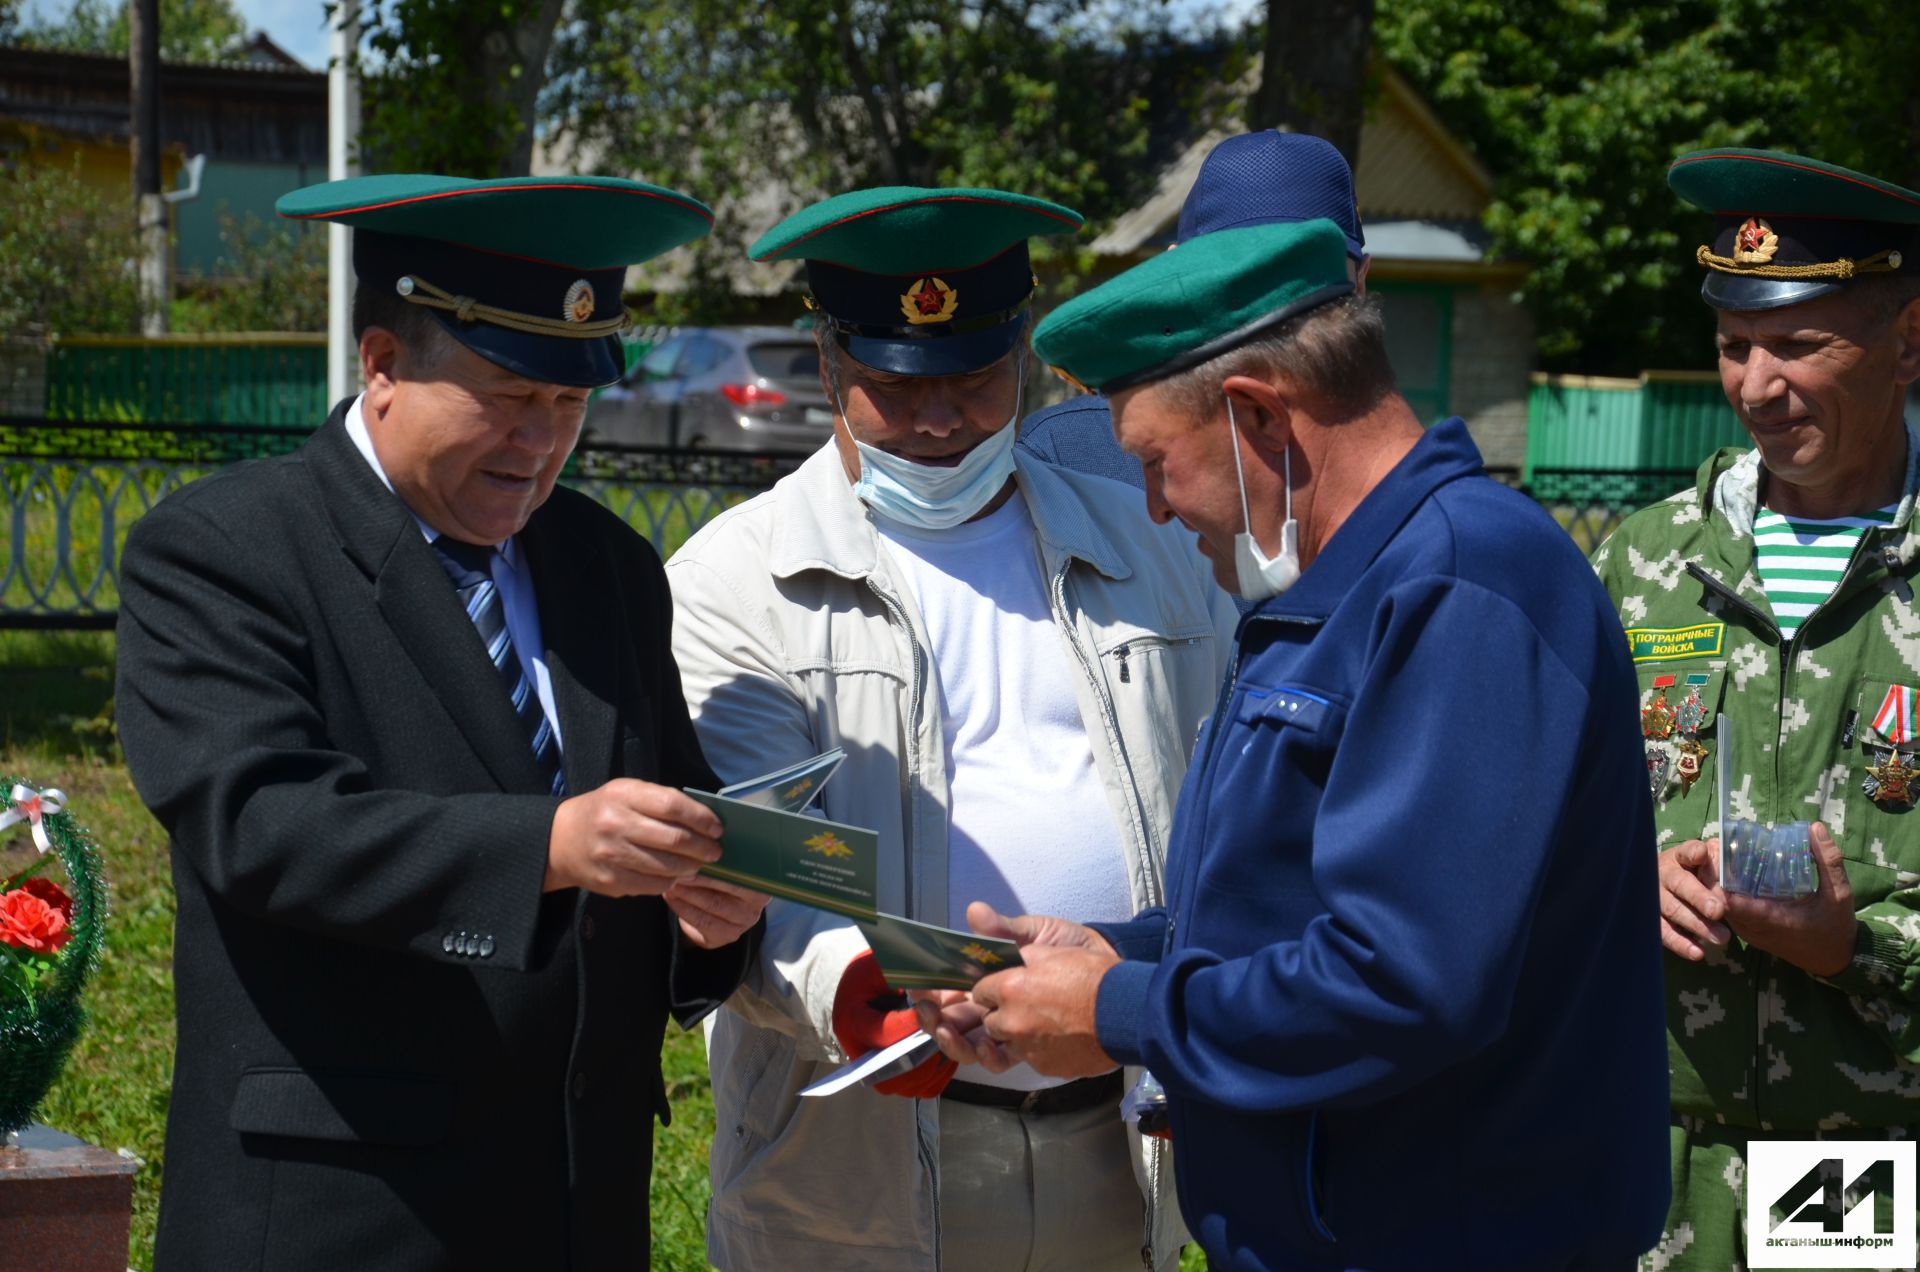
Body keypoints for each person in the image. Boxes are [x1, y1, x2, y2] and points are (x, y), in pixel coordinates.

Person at [921, 215, 1672, 1268]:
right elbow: (1286, 909)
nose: (1155, 507)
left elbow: (1405, 981)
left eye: (1155, 462)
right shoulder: (1342, 585)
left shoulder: (1460, 587)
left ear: (1259, 418)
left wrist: (1120, 1008)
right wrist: (1111, 954)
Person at [114, 174, 768, 1270]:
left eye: (569, 406)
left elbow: (658, 800)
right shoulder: (226, 550)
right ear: (382, 367)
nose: (540, 442)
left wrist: (704, 910)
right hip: (346, 1211)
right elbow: (260, 822)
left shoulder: (604, 563)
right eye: (507, 395)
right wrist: (550, 849)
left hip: (574, 1210)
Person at [666, 186, 1238, 1271]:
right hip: (855, 1166)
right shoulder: (733, 585)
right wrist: (859, 986)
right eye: (895, 385)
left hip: (1115, 1145)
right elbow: (753, 865)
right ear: (830, 362)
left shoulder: (1154, 549)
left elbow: (1230, 801)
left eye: (976, 379)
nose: (939, 421)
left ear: (1023, 350)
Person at [1590, 148, 1920, 1267]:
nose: (1757, 387)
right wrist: (1625, 880)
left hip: (1872, 1148)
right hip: (1654, 1151)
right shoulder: (1644, 565)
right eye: (1735, 347)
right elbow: (1534, 832)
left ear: (1909, 341)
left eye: (1800, 344)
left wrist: (1855, 949)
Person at [1019, 129, 1370, 489]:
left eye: (1305, 284)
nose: (1272, 311)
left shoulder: (1394, 469)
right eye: (1236, 282)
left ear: (1360, 283)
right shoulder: (1072, 454)